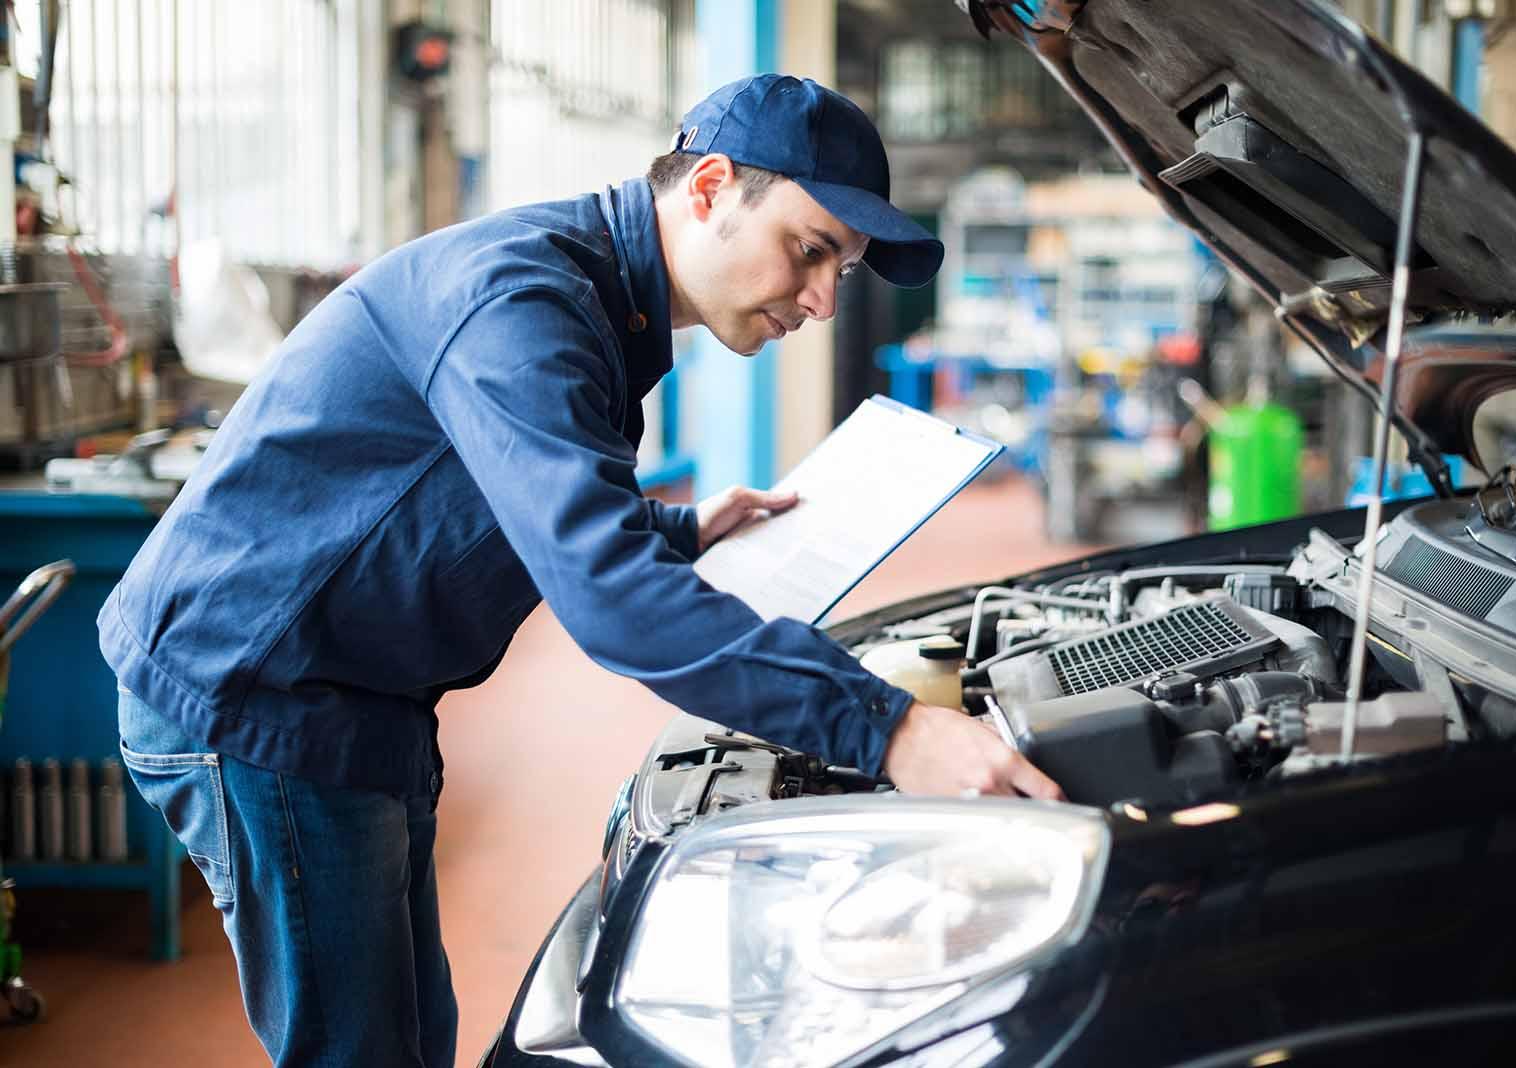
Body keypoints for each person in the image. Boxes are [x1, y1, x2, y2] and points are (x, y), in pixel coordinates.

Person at [100, 74, 1061, 1067]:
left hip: (357, 692)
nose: (822, 299)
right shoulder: (525, 301)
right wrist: (888, 726)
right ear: (710, 188)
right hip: (261, 692)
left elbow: (489, 481)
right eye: (809, 249)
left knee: (412, 1039)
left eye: (841, 271)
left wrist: (678, 528)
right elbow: (609, 599)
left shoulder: (605, 304)